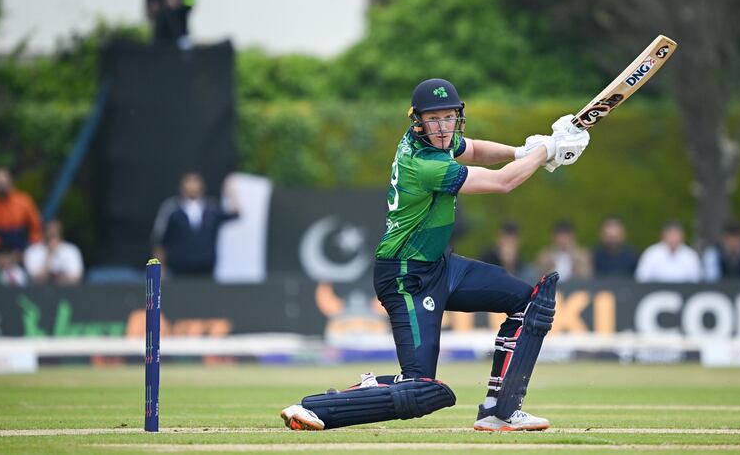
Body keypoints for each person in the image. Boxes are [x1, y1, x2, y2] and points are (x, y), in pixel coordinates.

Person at [280, 78, 590, 432]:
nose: (443, 127)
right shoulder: (424, 163)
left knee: (529, 303)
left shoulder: (435, 140)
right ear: (419, 121)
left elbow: (474, 149)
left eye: (449, 117)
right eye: (434, 119)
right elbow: (502, 182)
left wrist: (522, 151)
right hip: (404, 277)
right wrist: (546, 151)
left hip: (440, 266)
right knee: (421, 389)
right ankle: (318, 407)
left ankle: (500, 411)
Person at [151, 172, 240, 279]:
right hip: (178, 271)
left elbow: (235, 214)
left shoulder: (211, 208)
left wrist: (230, 192)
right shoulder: (172, 208)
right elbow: (160, 241)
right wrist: (159, 269)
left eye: (195, 182)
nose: (192, 186)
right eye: (189, 182)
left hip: (206, 270)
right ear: (181, 186)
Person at [0, 167, 42, 255]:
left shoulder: (23, 201)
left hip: (20, 242)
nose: (1, 187)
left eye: (3, 183)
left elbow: (35, 224)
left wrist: (32, 243)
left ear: (10, 182)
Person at [635, 220, 703, 282]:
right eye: (670, 234)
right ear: (663, 235)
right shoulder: (651, 253)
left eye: (676, 234)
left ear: (682, 236)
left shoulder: (690, 255)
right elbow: (641, 278)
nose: (673, 238)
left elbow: (697, 280)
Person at [23, 220, 84, 286]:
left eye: (55, 232)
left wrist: (58, 279)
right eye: (50, 230)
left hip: (67, 290)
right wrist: (50, 254)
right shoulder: (32, 251)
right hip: (39, 291)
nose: (52, 234)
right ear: (44, 232)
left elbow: (76, 278)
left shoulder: (71, 250)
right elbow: (36, 279)